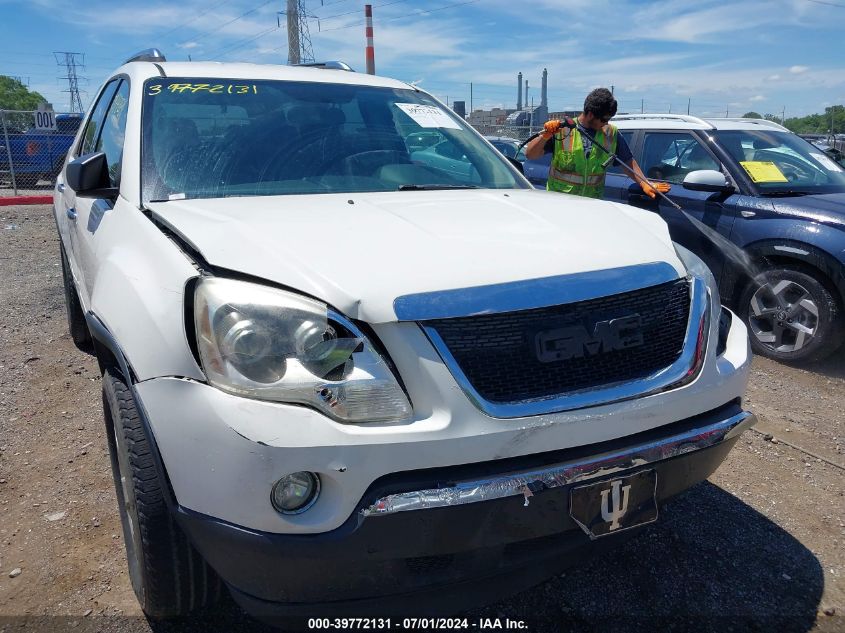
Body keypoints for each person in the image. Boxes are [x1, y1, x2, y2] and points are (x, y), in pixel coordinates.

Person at [524, 88, 670, 200]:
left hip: (593, 206)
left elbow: (627, 162)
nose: (606, 123)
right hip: (561, 204)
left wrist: (644, 183)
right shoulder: (562, 130)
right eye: (604, 119)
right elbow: (530, 154)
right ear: (591, 114)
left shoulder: (611, 134)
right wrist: (546, 135)